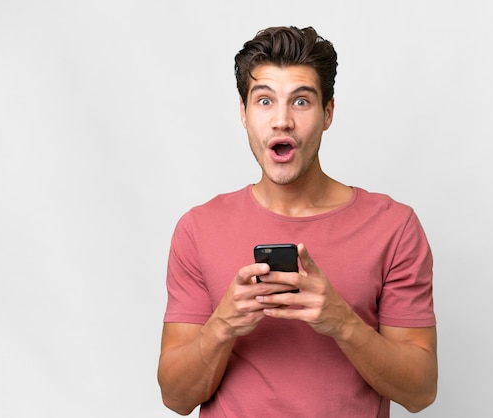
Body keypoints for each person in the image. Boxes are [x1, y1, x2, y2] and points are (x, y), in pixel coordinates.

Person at [158, 26, 437, 417]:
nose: (282, 120)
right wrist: (224, 324)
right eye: (265, 101)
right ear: (243, 113)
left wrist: (342, 321)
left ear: (328, 113)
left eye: (301, 101)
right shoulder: (198, 228)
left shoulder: (394, 226)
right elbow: (176, 398)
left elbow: (420, 392)